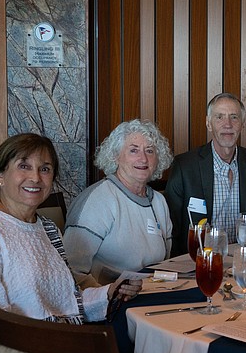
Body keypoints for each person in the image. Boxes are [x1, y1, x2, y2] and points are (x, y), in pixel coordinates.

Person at [0, 134, 141, 353]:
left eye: (45, 169)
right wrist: (56, 349)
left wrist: (109, 293)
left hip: (50, 351)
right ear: (0, 175)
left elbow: (64, 300)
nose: (36, 178)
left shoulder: (47, 228)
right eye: (24, 166)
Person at [165, 93, 246, 253]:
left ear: (242, 124)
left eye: (234, 117)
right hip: (200, 263)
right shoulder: (185, 166)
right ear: (208, 123)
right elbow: (173, 226)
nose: (228, 124)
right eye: (219, 117)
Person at [64, 119, 173, 287]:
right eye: (133, 150)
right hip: (108, 300)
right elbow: (71, 270)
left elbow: (164, 261)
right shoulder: (98, 199)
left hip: (152, 291)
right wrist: (106, 295)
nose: (143, 158)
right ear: (116, 156)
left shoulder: (159, 201)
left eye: (150, 151)